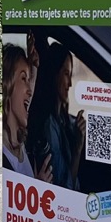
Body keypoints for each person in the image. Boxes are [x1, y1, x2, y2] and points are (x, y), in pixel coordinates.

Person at [26, 41, 85, 192]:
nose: (70, 83)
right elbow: (64, 189)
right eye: (66, 74)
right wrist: (78, 148)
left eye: (71, 75)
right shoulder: (49, 126)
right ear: (54, 74)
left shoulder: (61, 119)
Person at [3, 33, 52, 180]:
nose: (30, 91)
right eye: (23, 78)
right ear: (7, 85)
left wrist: (34, 67)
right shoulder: (2, 158)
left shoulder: (22, 144)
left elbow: (24, 98)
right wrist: (38, 188)